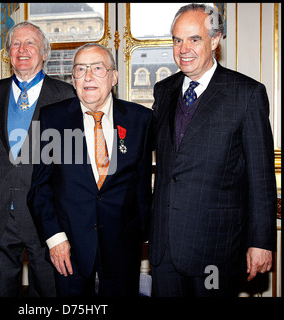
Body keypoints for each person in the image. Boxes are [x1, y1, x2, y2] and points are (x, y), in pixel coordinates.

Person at [149, 3, 277, 297]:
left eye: (194, 39)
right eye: (177, 40)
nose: (184, 49)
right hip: (164, 248)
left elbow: (261, 177)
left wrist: (261, 242)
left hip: (216, 250)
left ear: (215, 40)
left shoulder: (246, 94)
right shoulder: (164, 90)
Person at [27, 43, 153, 297]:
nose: (88, 77)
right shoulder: (52, 118)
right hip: (68, 248)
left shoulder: (141, 119)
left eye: (97, 68)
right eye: (80, 70)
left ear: (114, 77)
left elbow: (141, 188)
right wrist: (54, 238)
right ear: (73, 80)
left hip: (122, 247)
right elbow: (39, 188)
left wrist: (140, 237)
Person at [0, 21, 75, 297]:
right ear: (8, 54)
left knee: (48, 294)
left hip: (45, 218)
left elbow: (72, 164)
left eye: (30, 43)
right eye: (15, 44)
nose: (22, 49)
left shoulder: (65, 96)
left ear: (44, 53)